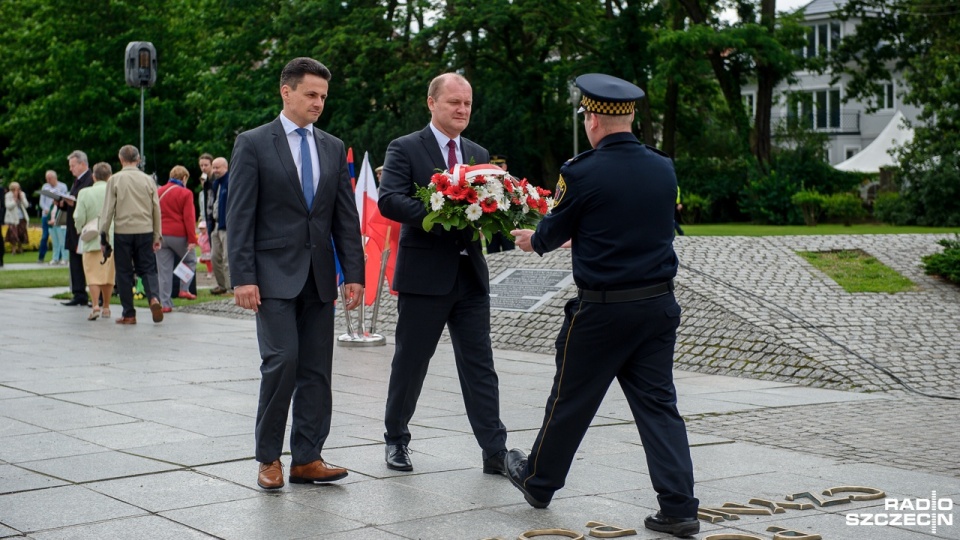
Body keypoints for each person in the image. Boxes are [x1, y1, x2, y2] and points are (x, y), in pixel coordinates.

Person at [508, 74, 699, 538]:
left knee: (570, 400)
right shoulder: (663, 167)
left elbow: (551, 235)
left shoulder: (581, 171)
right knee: (659, 407)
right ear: (629, 118)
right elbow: (651, 224)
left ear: (592, 118)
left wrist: (532, 240)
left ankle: (539, 482)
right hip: (657, 306)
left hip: (603, 311)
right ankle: (678, 508)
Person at [228, 57, 365, 490]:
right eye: (311, 94)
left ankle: (307, 458)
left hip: (320, 277)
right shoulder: (252, 143)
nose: (318, 103)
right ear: (286, 92)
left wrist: (354, 273)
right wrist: (242, 276)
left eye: (323, 96)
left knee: (316, 370)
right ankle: (269, 458)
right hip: (270, 277)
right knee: (282, 362)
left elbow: (345, 216)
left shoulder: (331, 145)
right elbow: (240, 214)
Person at [378, 72, 509, 475]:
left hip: (470, 275)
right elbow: (390, 201)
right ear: (431, 103)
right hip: (424, 277)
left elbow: (489, 206)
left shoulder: (478, 151)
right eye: (454, 102)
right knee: (411, 362)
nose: (462, 110)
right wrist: (441, 214)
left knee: (480, 365)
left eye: (468, 103)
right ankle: (396, 440)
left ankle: (495, 450)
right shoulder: (404, 148)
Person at [99, 145, 164, 325]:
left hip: (123, 232)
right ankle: (153, 298)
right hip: (145, 230)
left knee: (124, 272)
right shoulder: (148, 180)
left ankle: (129, 314)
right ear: (138, 160)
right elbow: (156, 209)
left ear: (121, 159)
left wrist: (103, 235)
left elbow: (108, 210)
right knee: (148, 269)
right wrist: (157, 235)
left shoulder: (115, 180)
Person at [73, 162, 115, 320]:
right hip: (110, 237)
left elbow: (78, 217)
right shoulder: (114, 191)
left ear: (93, 176)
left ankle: (95, 304)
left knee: (92, 274)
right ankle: (107, 307)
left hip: (91, 236)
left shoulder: (84, 192)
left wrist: (79, 228)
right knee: (108, 274)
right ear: (110, 176)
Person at [156, 165, 198, 312]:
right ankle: (184, 288)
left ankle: (165, 304)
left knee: (164, 270)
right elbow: (189, 217)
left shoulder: (158, 191)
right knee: (191, 260)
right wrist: (192, 239)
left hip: (161, 235)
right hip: (178, 234)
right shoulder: (186, 193)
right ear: (184, 178)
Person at [60, 151, 95, 307]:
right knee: (75, 262)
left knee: (88, 262)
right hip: (73, 228)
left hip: (85, 228)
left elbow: (89, 202)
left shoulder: (90, 179)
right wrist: (62, 203)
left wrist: (73, 203)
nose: (71, 169)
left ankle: (93, 294)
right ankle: (79, 293)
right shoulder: (77, 181)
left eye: (73, 165)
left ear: (82, 164)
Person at [206, 156, 231, 295]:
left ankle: (230, 287)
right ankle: (221, 285)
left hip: (226, 225)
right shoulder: (216, 183)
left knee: (227, 258)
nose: (215, 170)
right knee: (215, 257)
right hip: (215, 224)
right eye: (214, 167)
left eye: (217, 167)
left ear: (225, 167)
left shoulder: (229, 182)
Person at [485, 154, 516, 254]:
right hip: (490, 225)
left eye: (500, 166)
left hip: (508, 224)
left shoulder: (513, 181)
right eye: (494, 166)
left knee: (510, 253)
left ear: (505, 167)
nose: (497, 169)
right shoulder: (485, 183)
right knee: (491, 255)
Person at [38, 171, 68, 263]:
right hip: (47, 215)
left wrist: (58, 205)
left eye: (49, 178)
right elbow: (41, 201)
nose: (47, 180)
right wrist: (48, 210)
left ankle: (63, 258)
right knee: (48, 237)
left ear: (54, 178)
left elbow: (65, 199)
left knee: (61, 238)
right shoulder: (45, 187)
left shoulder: (62, 186)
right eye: (46, 179)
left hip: (58, 214)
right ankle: (48, 257)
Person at [3, 182, 30, 255]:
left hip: (21, 217)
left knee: (21, 233)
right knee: (13, 234)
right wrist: (14, 200)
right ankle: (13, 249)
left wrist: (21, 198)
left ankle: (20, 248)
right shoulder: (8, 195)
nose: (17, 190)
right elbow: (8, 206)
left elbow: (26, 205)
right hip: (12, 218)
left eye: (18, 188)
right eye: (15, 189)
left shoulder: (22, 194)